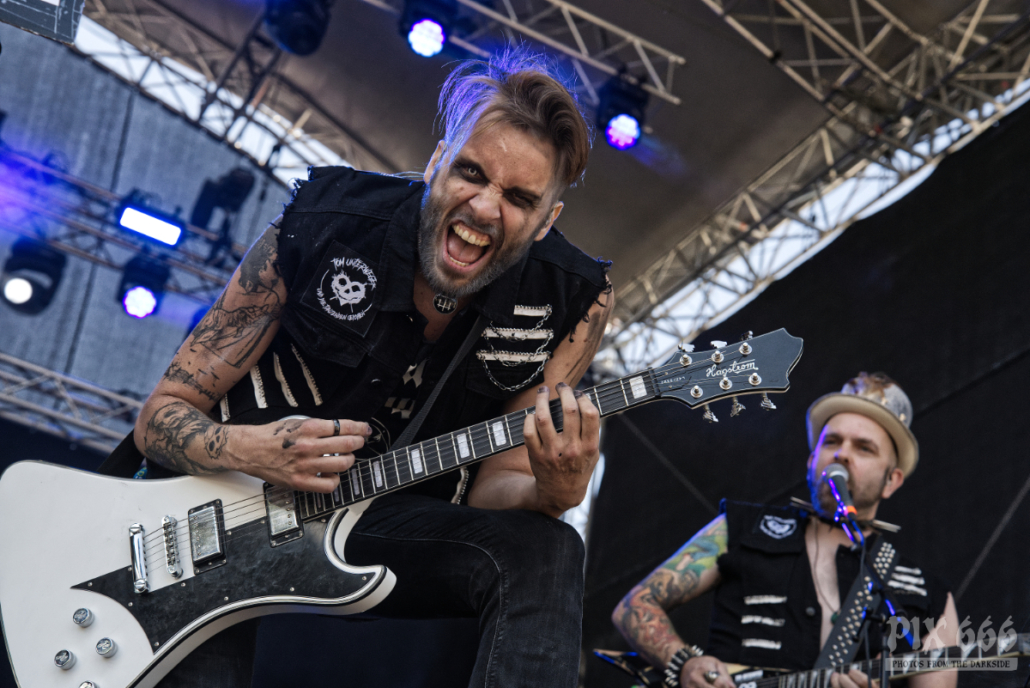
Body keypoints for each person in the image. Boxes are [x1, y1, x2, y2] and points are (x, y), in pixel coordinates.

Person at [131, 49, 613, 688]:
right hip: (220, 507)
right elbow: (158, 419)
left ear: (547, 221)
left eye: (520, 198)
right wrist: (254, 450)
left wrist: (553, 491)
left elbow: (497, 488)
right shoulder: (323, 222)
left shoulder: (573, 302)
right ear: (436, 162)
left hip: (379, 517)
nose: (484, 208)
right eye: (470, 172)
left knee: (546, 547)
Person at [612, 373, 960, 688]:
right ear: (811, 461)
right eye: (831, 442)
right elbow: (635, 605)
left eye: (864, 448)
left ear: (891, 480)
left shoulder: (930, 596)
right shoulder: (743, 528)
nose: (842, 454)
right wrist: (685, 663)